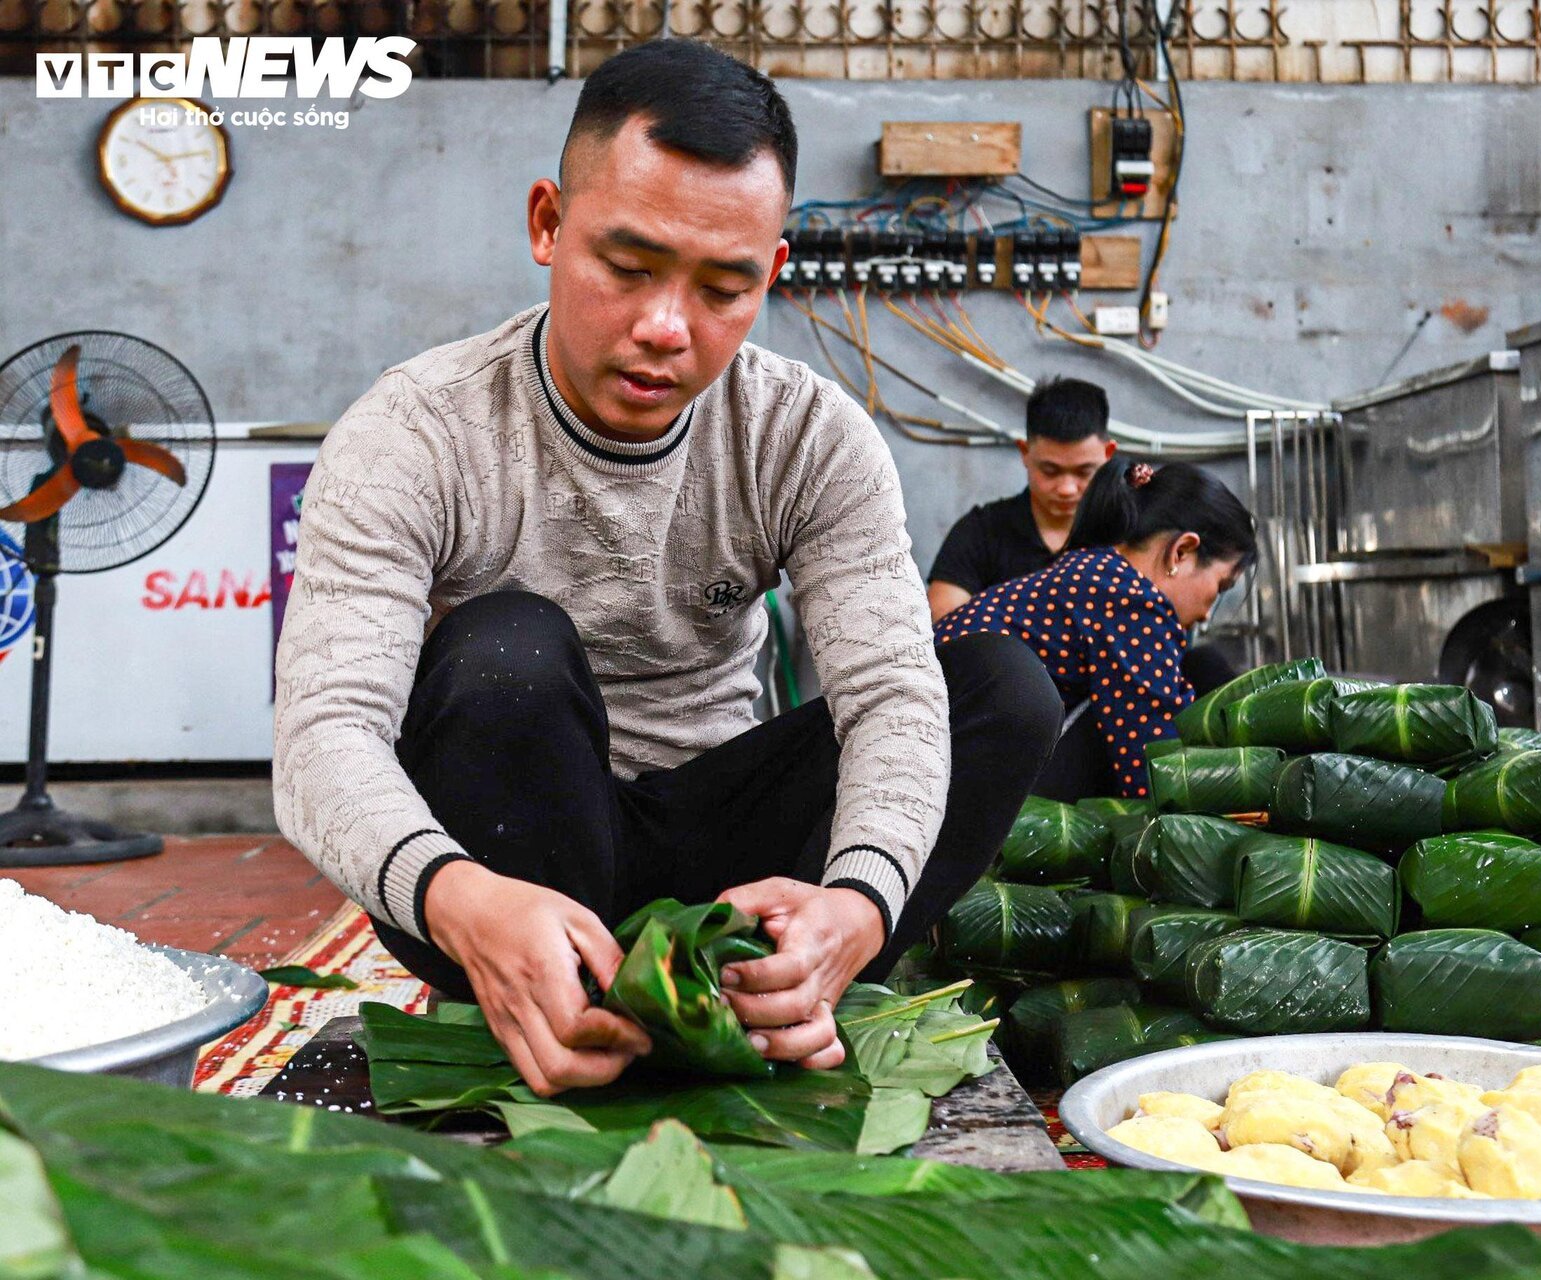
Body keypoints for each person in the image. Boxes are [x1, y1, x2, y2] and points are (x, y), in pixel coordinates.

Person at [272, 40, 1059, 1098]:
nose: (664, 329)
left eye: (723, 287)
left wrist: (860, 906)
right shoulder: (415, 431)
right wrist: (461, 897)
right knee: (507, 644)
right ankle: (550, 995)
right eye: (628, 266)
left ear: (770, 276)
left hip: (720, 865)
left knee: (1000, 687)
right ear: (548, 224)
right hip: (508, 869)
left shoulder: (811, 437)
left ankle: (788, 984)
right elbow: (325, 733)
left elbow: (890, 698)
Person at [933, 457, 1257, 801]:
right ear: (1182, 552)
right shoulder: (1133, 601)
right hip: (955, 776)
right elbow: (1153, 766)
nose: (1208, 614)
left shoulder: (1097, 571)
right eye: (1220, 588)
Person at [926, 376, 1113, 624]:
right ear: (1025, 453)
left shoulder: (1130, 534)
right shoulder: (980, 533)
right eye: (1050, 471)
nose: (1067, 488)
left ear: (1108, 454)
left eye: (1083, 472)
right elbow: (943, 622)